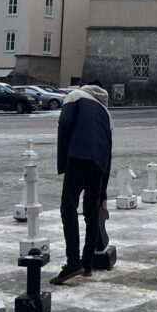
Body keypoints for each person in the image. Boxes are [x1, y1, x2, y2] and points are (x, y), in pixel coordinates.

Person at [51, 82, 112, 284]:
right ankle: (87, 264)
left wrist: (63, 163)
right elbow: (109, 150)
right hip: (99, 163)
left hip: (78, 155)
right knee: (91, 212)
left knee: (68, 207)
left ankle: (72, 263)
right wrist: (103, 191)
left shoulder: (75, 96)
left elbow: (64, 124)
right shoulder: (105, 111)